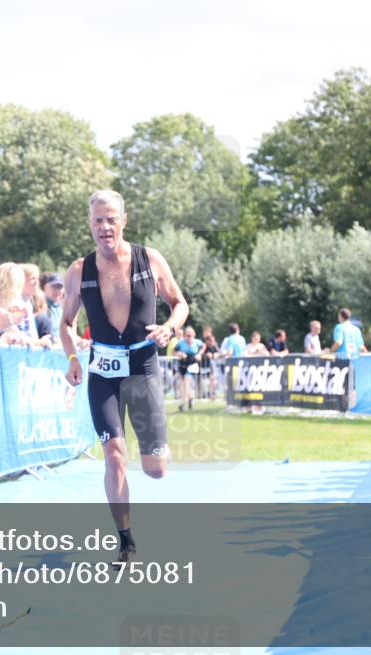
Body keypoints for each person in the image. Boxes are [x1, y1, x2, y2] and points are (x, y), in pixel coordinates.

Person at [60, 189, 188, 566]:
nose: (104, 227)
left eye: (111, 219)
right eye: (98, 220)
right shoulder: (79, 270)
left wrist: (169, 328)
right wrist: (71, 357)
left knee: (156, 471)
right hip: (103, 373)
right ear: (89, 224)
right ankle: (126, 543)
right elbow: (66, 323)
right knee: (114, 456)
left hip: (143, 366)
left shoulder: (150, 259)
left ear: (124, 221)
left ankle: (158, 450)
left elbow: (180, 304)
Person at [173, 326, 204, 411]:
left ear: (194, 335)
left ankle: (183, 403)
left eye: (191, 335)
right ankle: (190, 398)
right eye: (187, 335)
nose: (189, 337)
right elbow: (174, 352)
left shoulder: (198, 342)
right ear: (185, 335)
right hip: (183, 365)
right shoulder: (181, 343)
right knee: (184, 384)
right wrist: (179, 353)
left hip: (193, 365)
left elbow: (203, 347)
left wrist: (199, 354)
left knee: (186, 382)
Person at [40, 272, 66, 341]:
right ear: (45, 288)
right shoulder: (39, 305)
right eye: (53, 287)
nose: (57, 291)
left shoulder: (62, 309)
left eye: (59, 287)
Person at [201, 332, 221, 399]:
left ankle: (212, 393)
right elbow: (200, 354)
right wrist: (205, 355)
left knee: (212, 380)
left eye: (213, 341)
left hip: (211, 368)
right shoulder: (203, 347)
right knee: (204, 382)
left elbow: (219, 353)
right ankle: (206, 394)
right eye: (210, 341)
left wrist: (216, 354)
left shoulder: (214, 347)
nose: (212, 342)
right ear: (206, 341)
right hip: (202, 367)